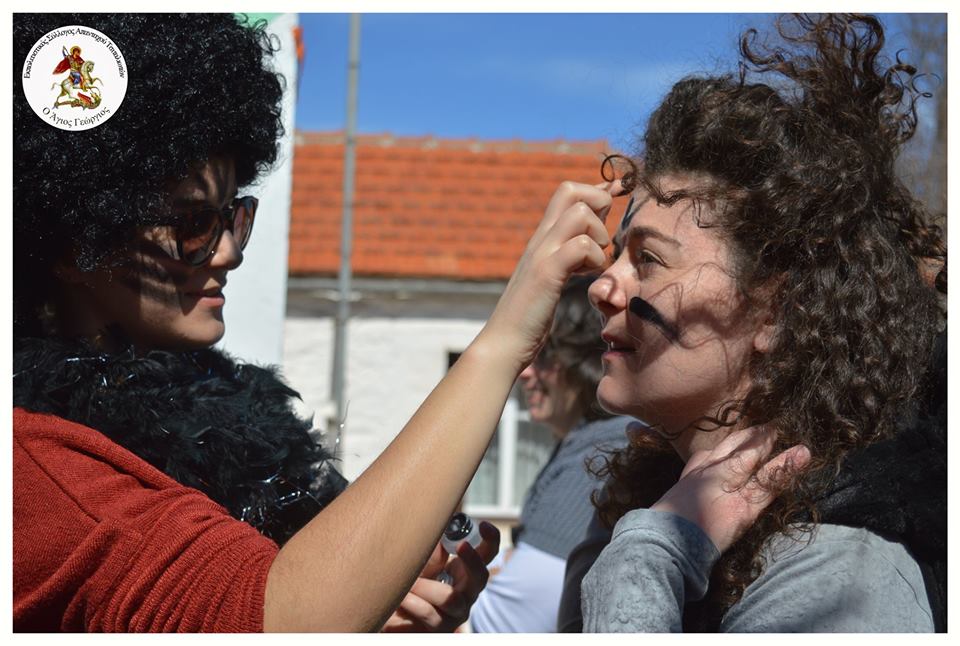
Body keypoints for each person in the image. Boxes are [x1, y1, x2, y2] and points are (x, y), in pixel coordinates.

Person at [13, 14, 617, 632]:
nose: (228, 253)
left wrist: (375, 604)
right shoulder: (35, 468)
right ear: (75, 245)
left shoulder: (226, 418)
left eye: (234, 217)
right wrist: (503, 341)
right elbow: (276, 619)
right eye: (192, 225)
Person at [558, 13, 946, 633]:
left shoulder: (839, 575)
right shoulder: (644, 506)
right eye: (615, 259)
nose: (604, 288)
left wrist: (643, 560)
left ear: (774, 311)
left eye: (648, 261)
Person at [470, 276, 630, 633]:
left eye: (543, 356)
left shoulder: (601, 453)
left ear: (586, 358)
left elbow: (508, 626)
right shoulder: (592, 440)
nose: (526, 373)